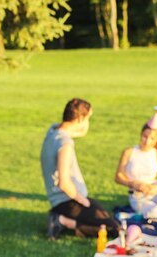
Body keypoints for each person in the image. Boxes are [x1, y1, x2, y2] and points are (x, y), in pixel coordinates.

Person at [40, 98, 119, 240]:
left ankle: (62, 219)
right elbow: (63, 183)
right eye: (88, 119)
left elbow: (76, 132)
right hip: (68, 201)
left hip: (64, 200)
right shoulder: (65, 145)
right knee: (112, 229)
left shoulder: (53, 130)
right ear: (80, 118)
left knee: (106, 217)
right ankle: (61, 221)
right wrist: (82, 200)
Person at [114, 114, 157, 217]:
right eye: (145, 137)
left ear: (156, 140)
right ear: (141, 135)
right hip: (137, 194)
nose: (147, 141)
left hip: (155, 189)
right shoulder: (129, 152)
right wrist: (133, 184)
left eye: (152, 138)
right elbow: (118, 177)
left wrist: (156, 188)